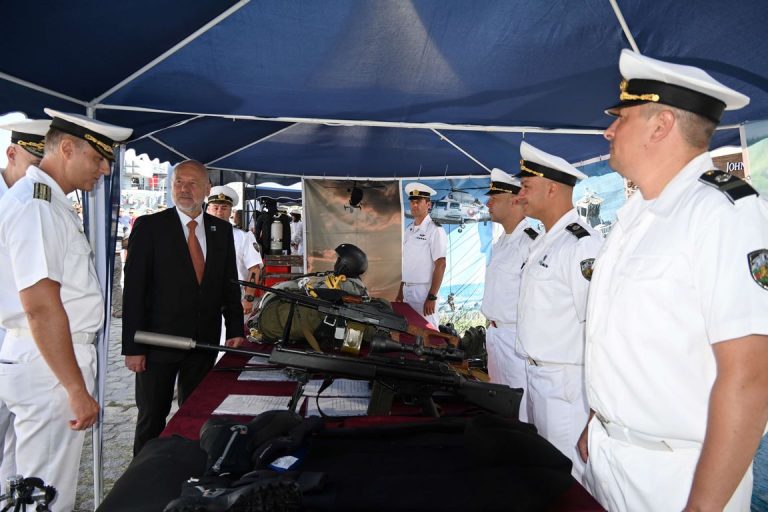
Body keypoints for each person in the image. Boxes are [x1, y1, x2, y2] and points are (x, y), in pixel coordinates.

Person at [578, 49, 768, 511]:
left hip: (677, 476)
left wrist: (702, 506)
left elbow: (751, 377)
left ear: (660, 125)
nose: (608, 131)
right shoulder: (637, 215)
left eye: (620, 118)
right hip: (611, 456)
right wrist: (598, 418)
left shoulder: (724, 213)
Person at [0, 109, 131, 510]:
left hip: (47, 360)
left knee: (25, 486)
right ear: (68, 148)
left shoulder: (47, 201)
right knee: (47, 493)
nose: (105, 169)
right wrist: (75, 388)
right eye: (98, 158)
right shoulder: (37, 205)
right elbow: (41, 307)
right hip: (50, 365)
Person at [122, 160, 245, 456]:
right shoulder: (150, 227)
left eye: (192, 183)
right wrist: (132, 347)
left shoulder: (221, 230)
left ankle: (188, 467)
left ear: (207, 189)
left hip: (203, 341)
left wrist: (235, 328)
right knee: (152, 416)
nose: (184, 189)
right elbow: (134, 290)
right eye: (178, 182)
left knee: (196, 414)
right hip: (157, 342)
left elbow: (228, 284)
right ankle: (145, 475)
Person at [514, 141, 603, 482]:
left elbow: (596, 326)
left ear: (552, 188)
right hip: (538, 376)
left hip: (565, 386)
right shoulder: (543, 241)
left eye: (526, 186)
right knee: (546, 474)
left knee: (569, 479)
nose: (520, 195)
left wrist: (597, 408)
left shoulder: (581, 244)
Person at [0, 117, 50, 487]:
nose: (38, 174)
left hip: (25, 340)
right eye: (34, 164)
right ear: (11, 153)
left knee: (20, 442)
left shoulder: (39, 200)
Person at [480, 168, 538, 423]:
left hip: (516, 339)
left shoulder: (531, 243)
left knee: (521, 410)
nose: (488, 203)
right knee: (500, 407)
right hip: (496, 336)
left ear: (515, 200)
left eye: (494, 197)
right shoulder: (501, 242)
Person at [396, 182, 447, 328]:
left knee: (429, 331)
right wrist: (400, 292)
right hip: (407, 290)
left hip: (423, 291)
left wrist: (432, 296)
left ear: (428, 205)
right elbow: (407, 264)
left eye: (418, 201)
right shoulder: (409, 230)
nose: (414, 205)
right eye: (412, 201)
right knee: (409, 331)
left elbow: (441, 264)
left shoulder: (435, 230)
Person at [206, 185, 263, 316]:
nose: (219, 212)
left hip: (232, 296)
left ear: (231, 211)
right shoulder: (197, 234)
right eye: (215, 208)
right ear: (208, 209)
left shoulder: (244, 236)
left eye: (224, 208)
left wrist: (248, 298)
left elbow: (255, 269)